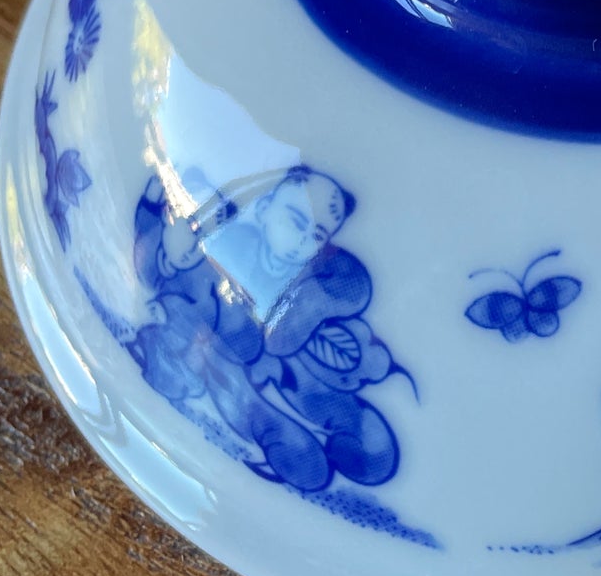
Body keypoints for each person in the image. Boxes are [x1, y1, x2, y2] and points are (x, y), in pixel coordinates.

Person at [129, 165, 400, 492]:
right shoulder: (224, 246)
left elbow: (346, 292)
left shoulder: (317, 284)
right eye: (297, 222)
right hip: (228, 368)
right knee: (301, 459)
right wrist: (149, 206)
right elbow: (156, 274)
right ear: (262, 208)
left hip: (288, 364)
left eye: (316, 236)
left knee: (368, 446)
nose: (302, 240)